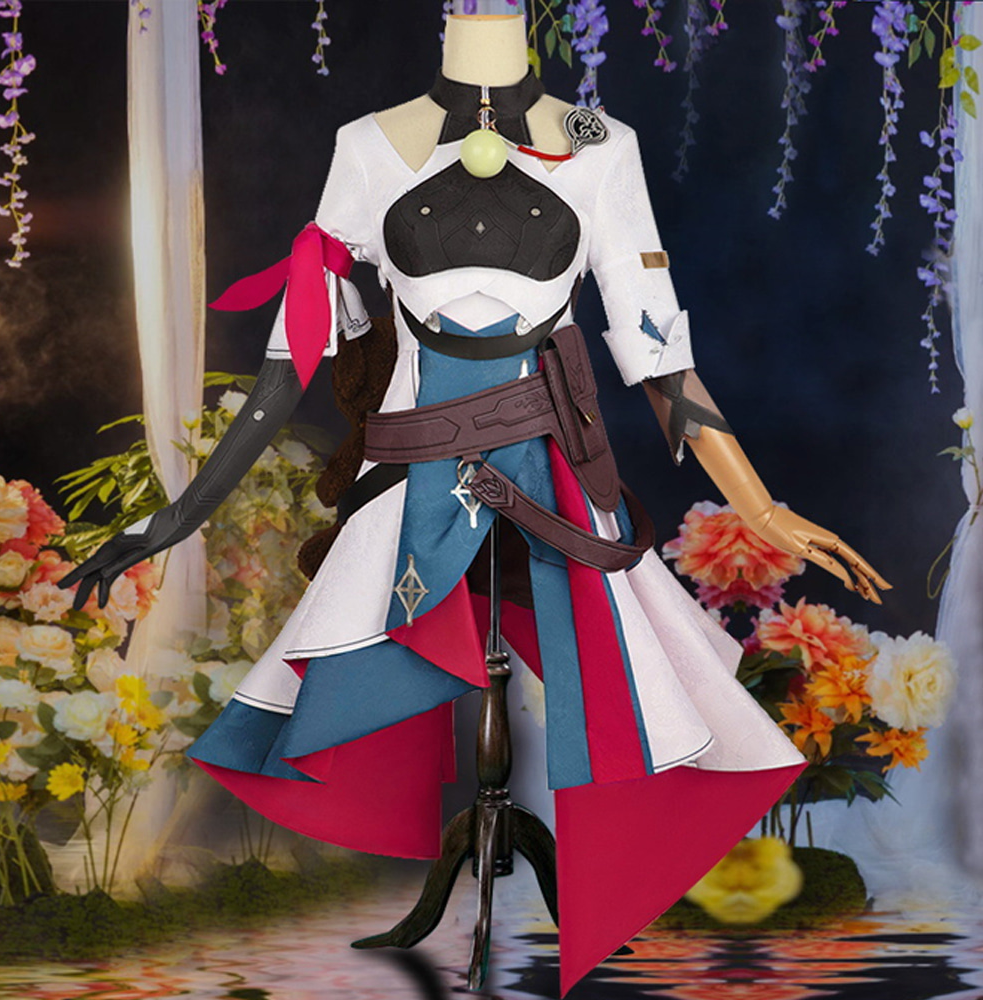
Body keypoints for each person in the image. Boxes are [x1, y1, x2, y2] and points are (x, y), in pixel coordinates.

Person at [60, 12, 888, 994]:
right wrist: (175, 518)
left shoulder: (598, 144)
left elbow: (660, 356)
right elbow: (292, 361)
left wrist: (758, 503)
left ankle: (584, 881)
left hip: (552, 475)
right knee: (363, 662)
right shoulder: (368, 148)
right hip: (412, 475)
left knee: (618, 688)